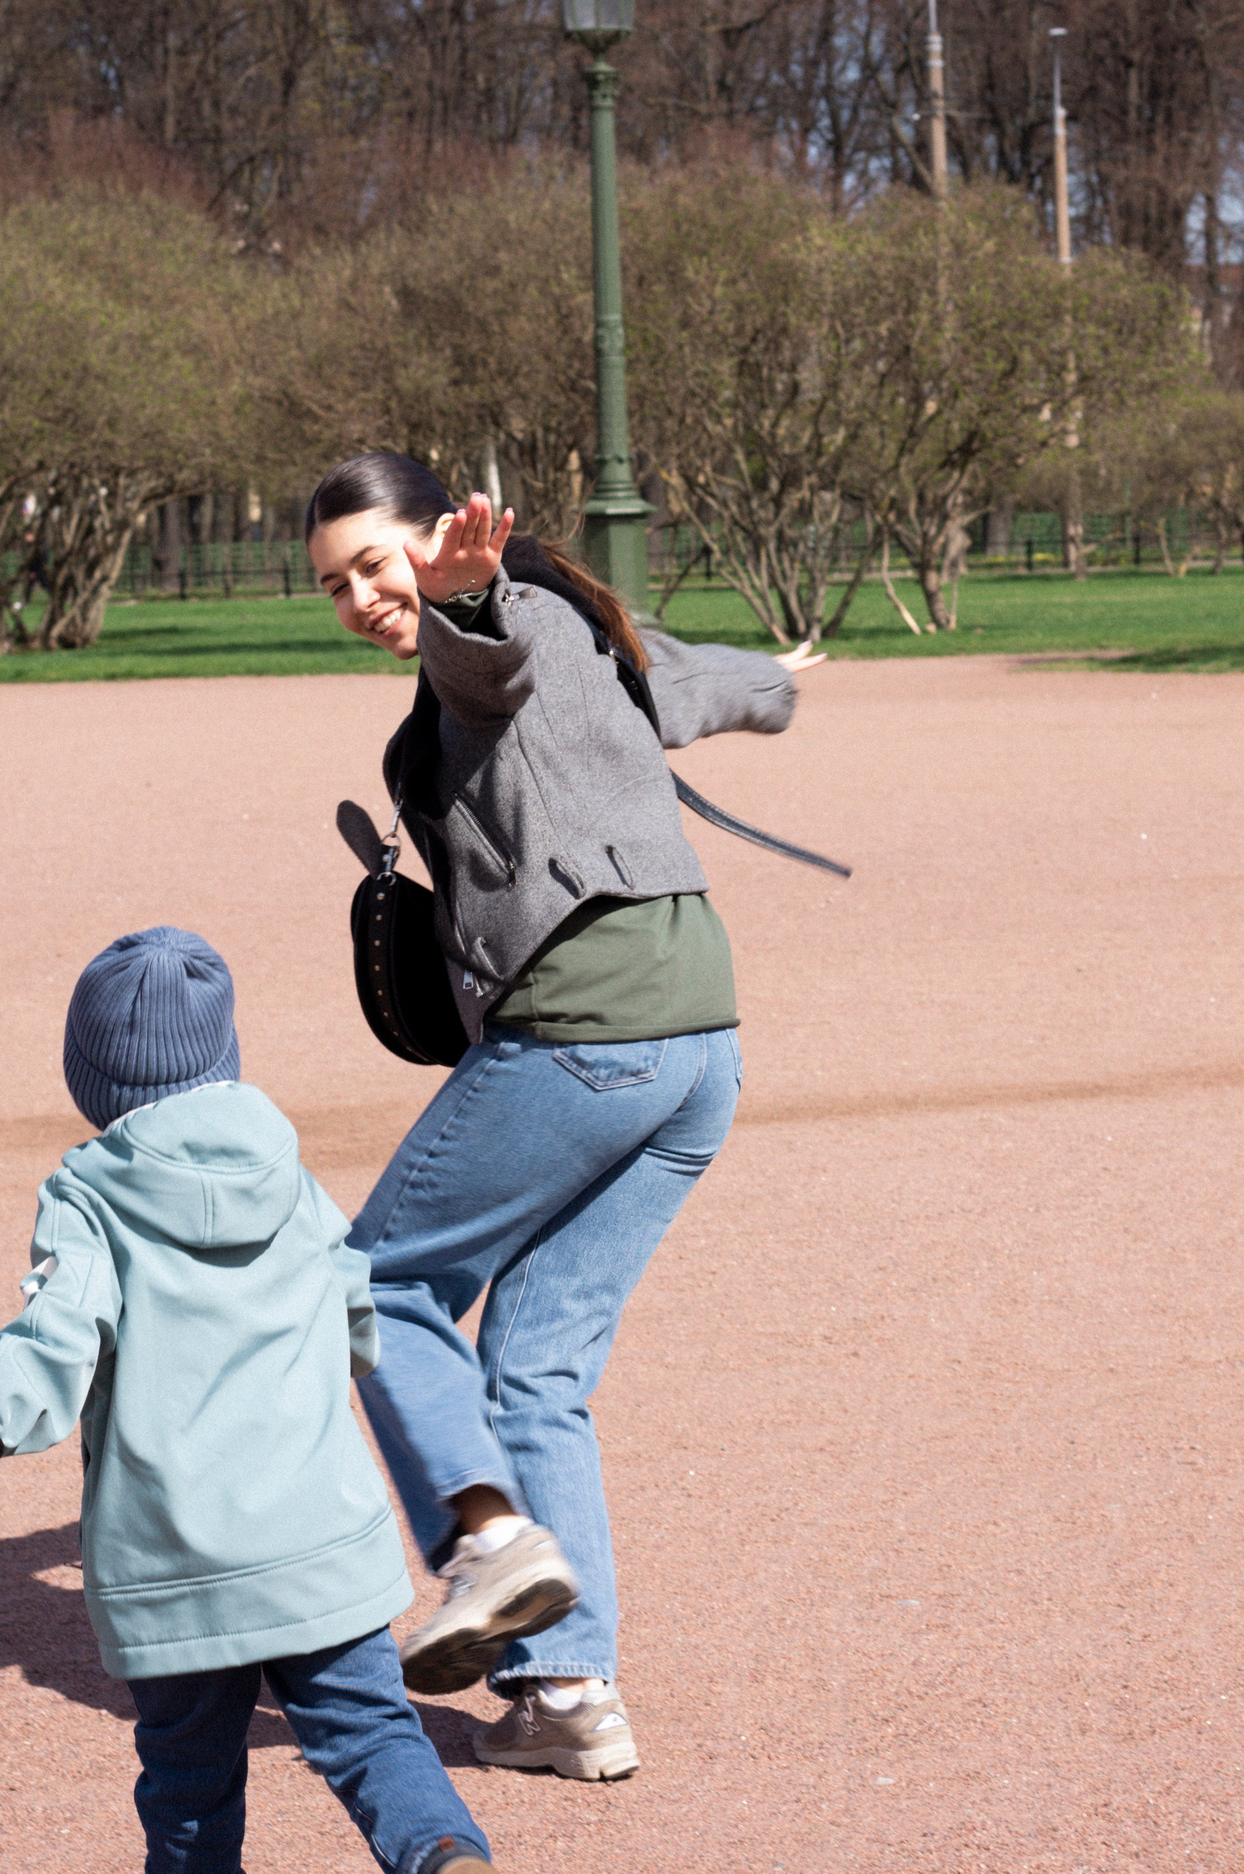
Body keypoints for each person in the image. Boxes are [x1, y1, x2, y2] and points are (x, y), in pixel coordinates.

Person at [306, 453, 823, 1782]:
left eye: (377, 561)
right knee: (532, 1366)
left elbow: (488, 661)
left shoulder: (504, 625)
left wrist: (466, 602)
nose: (364, 594)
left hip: (591, 1027)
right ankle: (568, 1696)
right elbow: (704, 680)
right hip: (698, 1044)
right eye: (337, 583)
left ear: (443, 537)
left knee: (367, 1284)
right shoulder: (592, 625)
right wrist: (778, 680)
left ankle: (485, 1532)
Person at [0, 926, 496, 1874]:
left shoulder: (89, 1198)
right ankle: (441, 1855)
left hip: (174, 1562)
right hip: (320, 1542)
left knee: (189, 1788)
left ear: (92, 1081)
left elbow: (56, 1332)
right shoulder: (289, 1174)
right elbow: (353, 1310)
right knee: (376, 1738)